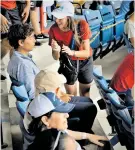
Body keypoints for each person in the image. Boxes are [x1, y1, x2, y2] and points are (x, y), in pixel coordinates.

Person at [23, 70, 108, 150]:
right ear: (45, 120)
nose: (67, 115)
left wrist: (87, 136)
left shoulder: (47, 130)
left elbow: (65, 132)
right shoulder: (59, 143)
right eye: (61, 112)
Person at [49, 2, 93, 96]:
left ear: (69, 17)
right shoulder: (53, 29)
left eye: (60, 18)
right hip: (67, 63)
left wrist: (72, 52)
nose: (57, 21)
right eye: (56, 17)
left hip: (84, 62)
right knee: (71, 96)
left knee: (85, 94)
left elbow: (86, 53)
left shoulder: (82, 25)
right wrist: (56, 50)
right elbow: (55, 57)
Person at [7, 24, 39, 100]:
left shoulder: (15, 57)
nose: (35, 40)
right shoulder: (24, 65)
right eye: (31, 37)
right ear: (21, 42)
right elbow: (32, 94)